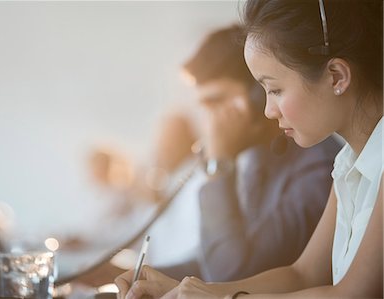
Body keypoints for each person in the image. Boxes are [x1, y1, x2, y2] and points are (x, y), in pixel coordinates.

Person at [114, 0, 383, 298]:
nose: (269, 110)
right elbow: (302, 274)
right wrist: (183, 289)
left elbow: (355, 294)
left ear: (336, 76)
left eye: (276, 90)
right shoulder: (348, 164)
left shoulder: (331, 164)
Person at [152, 24, 340, 282]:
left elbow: (231, 273)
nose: (209, 123)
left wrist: (218, 164)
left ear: (257, 93)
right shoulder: (254, 161)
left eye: (215, 101)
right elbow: (210, 258)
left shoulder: (320, 166)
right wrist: (140, 277)